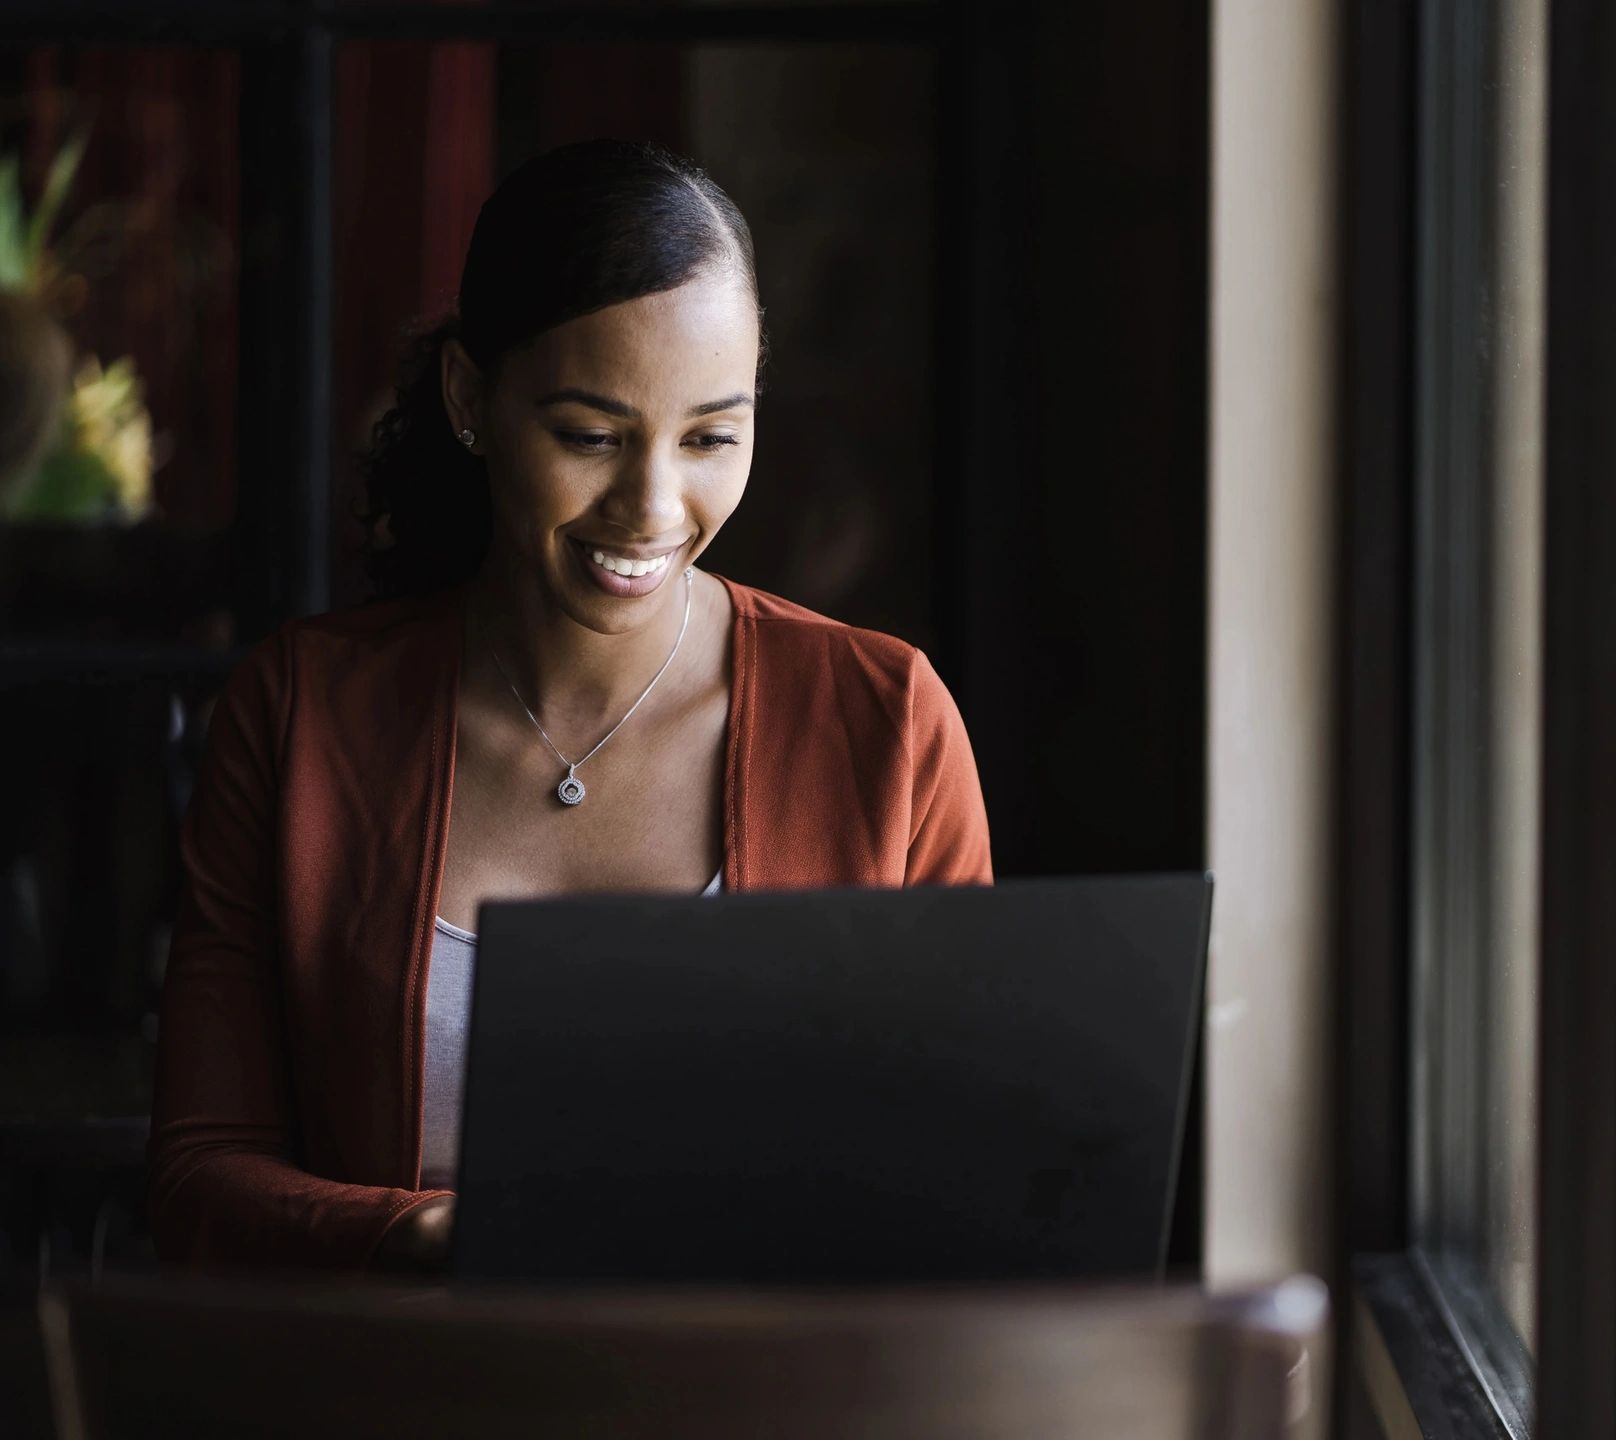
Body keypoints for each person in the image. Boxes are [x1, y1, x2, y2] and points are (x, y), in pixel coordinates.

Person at [146, 139, 993, 1274]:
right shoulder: (302, 714)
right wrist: (433, 1237)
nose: (651, 506)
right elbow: (203, 1174)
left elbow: (970, 1169)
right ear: (469, 398)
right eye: (589, 436)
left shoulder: (886, 723)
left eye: (710, 438)